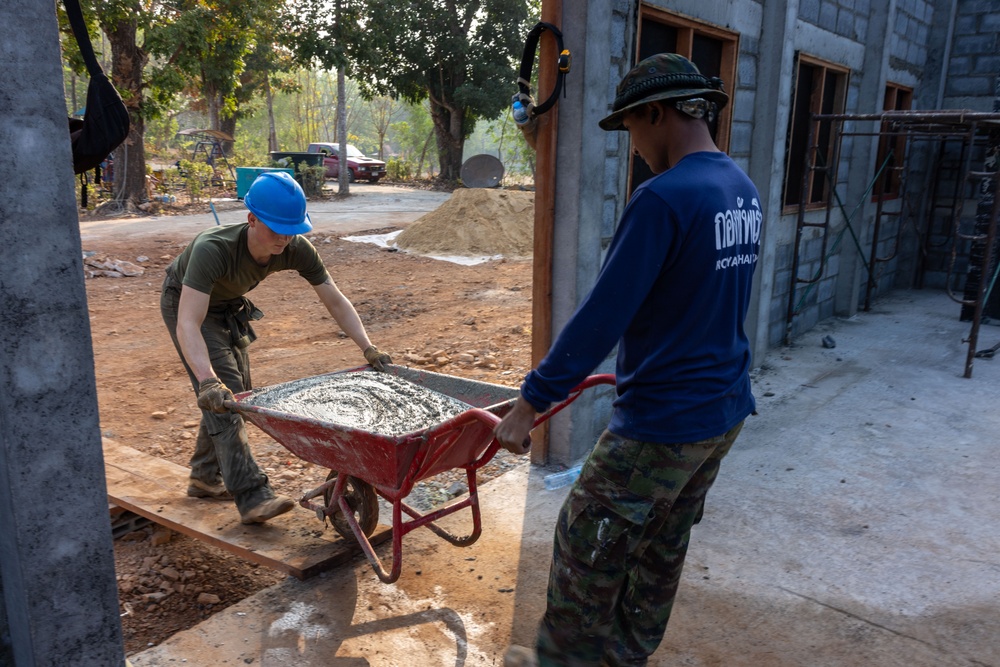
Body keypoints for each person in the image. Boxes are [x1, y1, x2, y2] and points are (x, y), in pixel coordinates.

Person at [496, 53, 762, 667]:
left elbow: (601, 319)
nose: (636, 146)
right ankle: (626, 657)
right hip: (724, 410)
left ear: (657, 113)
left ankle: (561, 662)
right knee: (660, 544)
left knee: (585, 542)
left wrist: (530, 403)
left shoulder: (664, 199)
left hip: (666, 419)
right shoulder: (739, 191)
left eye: (633, 129)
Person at [160, 171, 393, 525]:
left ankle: (205, 478)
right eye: (276, 228)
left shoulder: (295, 247)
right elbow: (188, 321)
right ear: (251, 219)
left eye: (293, 228)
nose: (285, 237)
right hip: (186, 302)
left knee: (235, 394)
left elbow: (335, 301)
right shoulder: (214, 249)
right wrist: (206, 378)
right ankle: (253, 496)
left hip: (227, 305)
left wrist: (368, 348)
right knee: (227, 396)